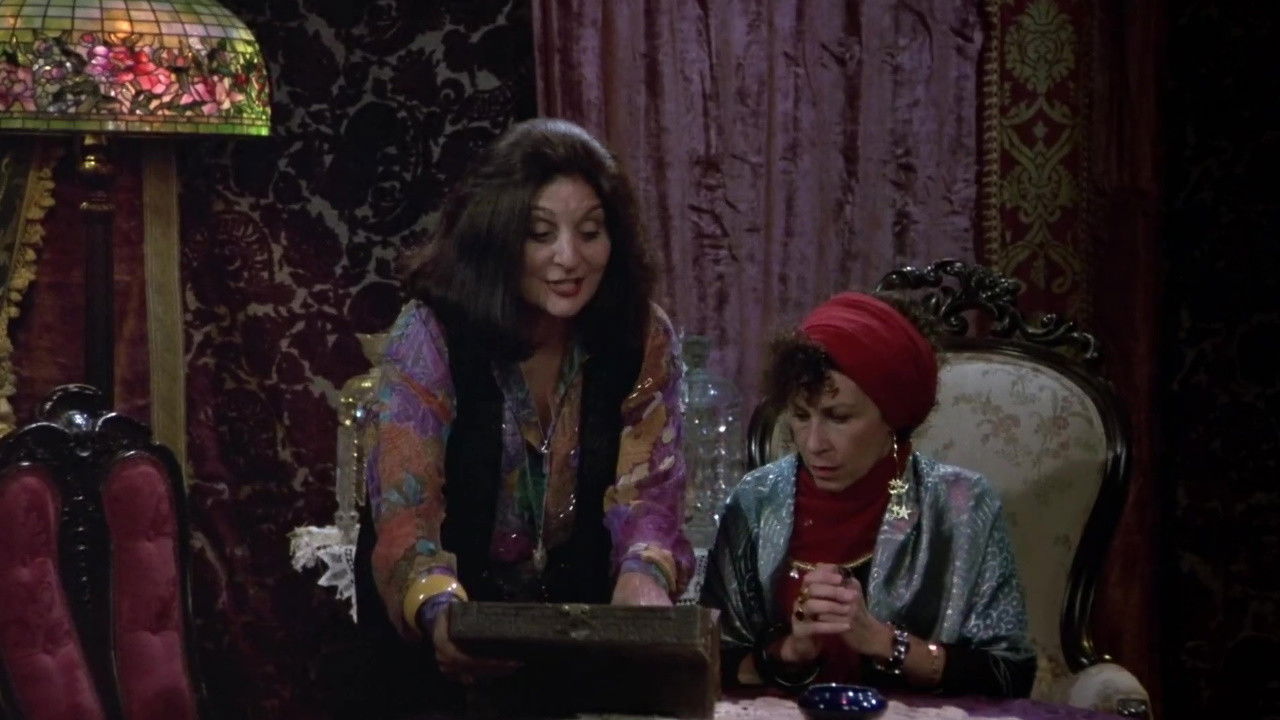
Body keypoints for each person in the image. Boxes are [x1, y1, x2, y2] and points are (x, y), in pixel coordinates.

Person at [361, 118, 693, 691]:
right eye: (540, 233)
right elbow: (405, 513)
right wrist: (444, 615)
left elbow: (650, 496)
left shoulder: (640, 336)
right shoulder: (432, 333)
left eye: (590, 232)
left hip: (584, 648)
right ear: (497, 236)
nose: (569, 258)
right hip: (442, 659)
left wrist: (643, 582)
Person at [700, 291, 1036, 697]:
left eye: (839, 417)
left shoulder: (961, 505)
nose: (814, 443)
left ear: (893, 418)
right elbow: (711, 661)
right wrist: (791, 651)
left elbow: (1009, 673)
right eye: (801, 416)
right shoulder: (756, 501)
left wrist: (885, 643)